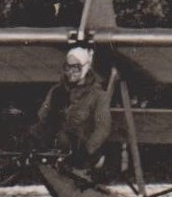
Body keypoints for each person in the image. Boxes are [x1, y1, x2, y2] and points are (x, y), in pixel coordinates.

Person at [32, 45, 112, 175]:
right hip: (57, 146)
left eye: (76, 68)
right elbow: (43, 117)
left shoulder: (98, 95)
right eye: (67, 67)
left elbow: (103, 128)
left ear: (85, 68)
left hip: (82, 150)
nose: (70, 72)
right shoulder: (57, 91)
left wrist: (88, 150)